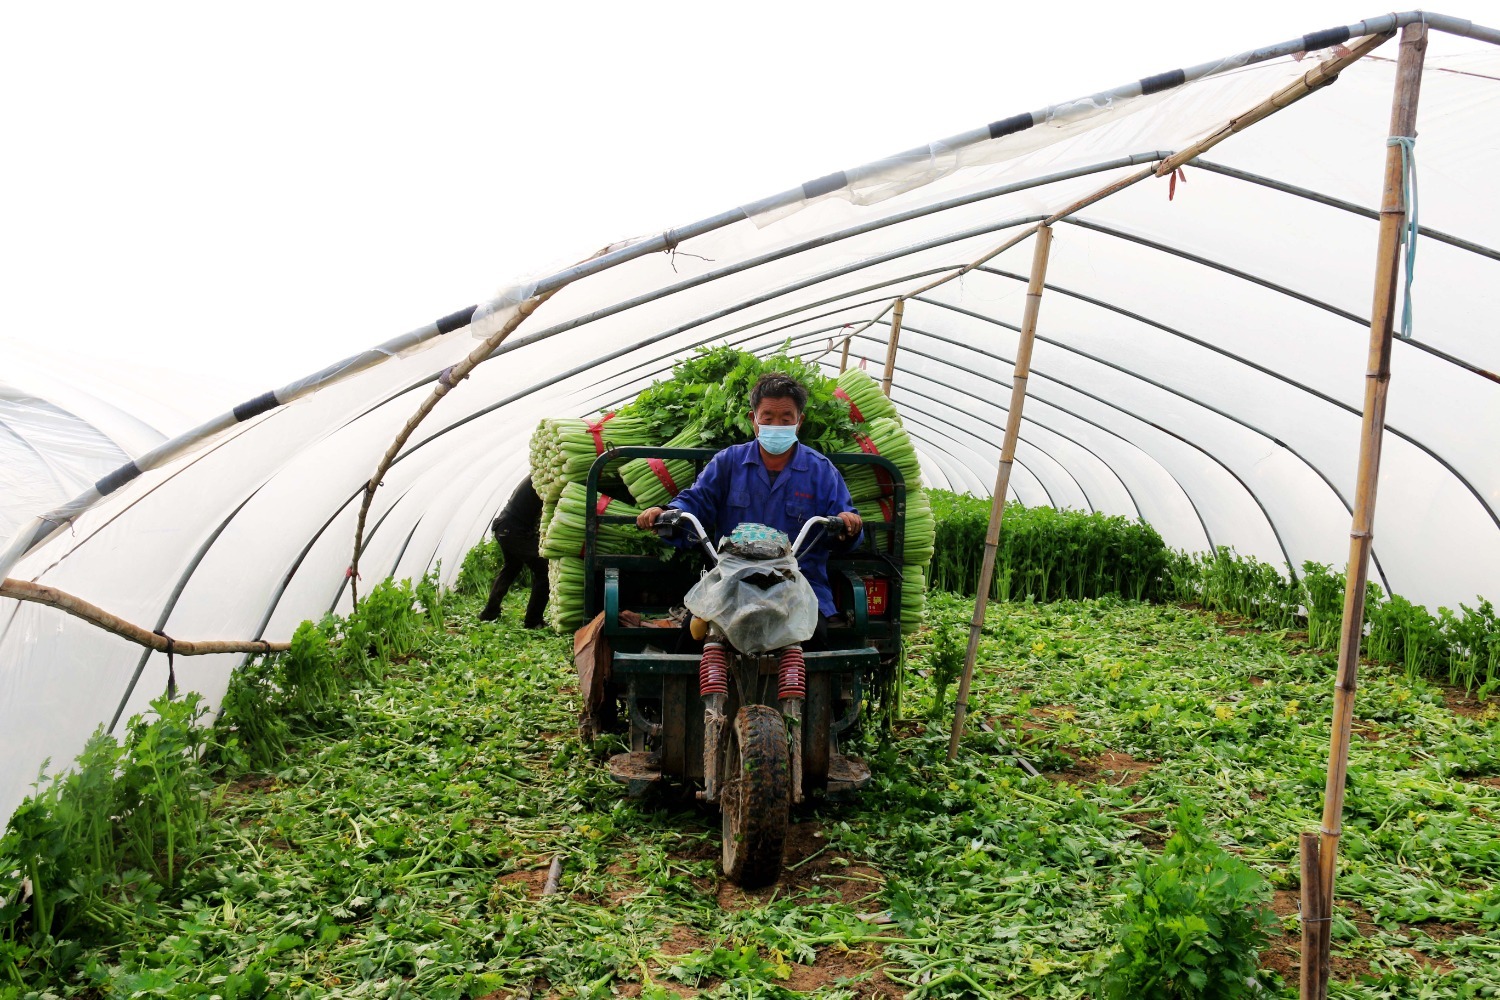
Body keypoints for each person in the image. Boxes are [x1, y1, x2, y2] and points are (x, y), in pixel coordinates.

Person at [635, 373, 863, 626]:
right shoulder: (728, 462)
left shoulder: (821, 470)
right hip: (732, 581)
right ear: (753, 419)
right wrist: (667, 512)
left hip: (800, 586)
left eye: (786, 419)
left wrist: (847, 524)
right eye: (768, 418)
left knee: (815, 639)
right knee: (691, 636)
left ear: (800, 421)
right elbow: (696, 500)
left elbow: (844, 520)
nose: (776, 425)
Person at [478, 476, 549, 628]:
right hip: (513, 531)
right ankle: (533, 621)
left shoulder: (537, 475)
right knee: (544, 571)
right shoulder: (544, 476)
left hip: (505, 527)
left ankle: (489, 613)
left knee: (512, 567)